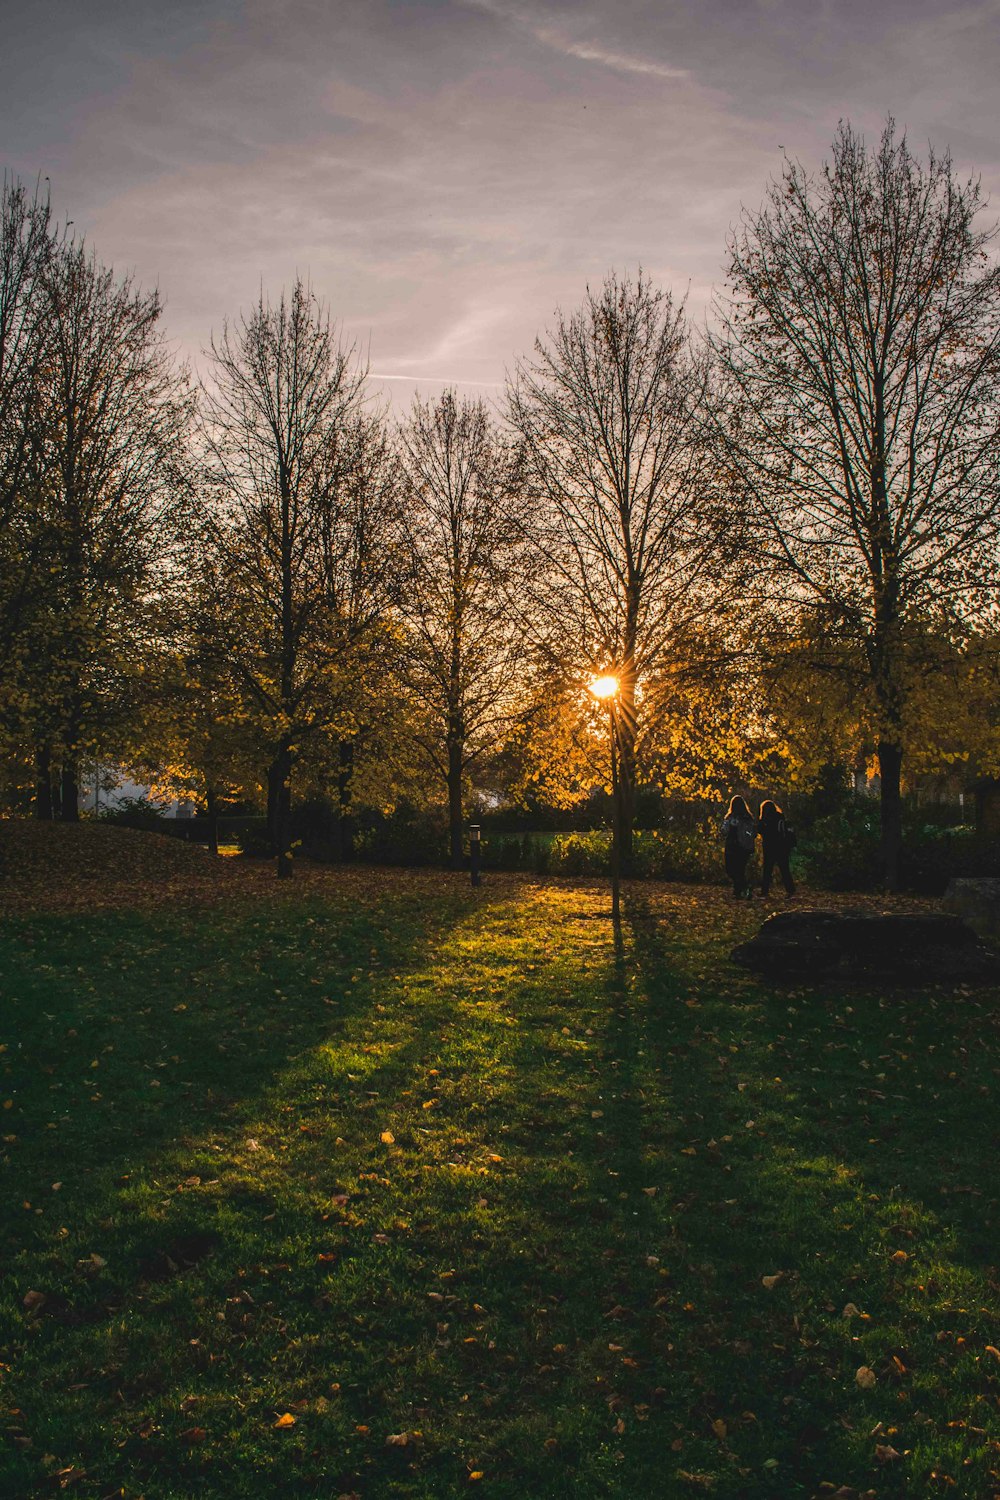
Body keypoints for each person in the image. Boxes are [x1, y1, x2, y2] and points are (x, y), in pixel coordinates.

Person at [757, 799, 796, 897]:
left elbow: (760, 831)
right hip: (782, 847)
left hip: (769, 847)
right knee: (784, 869)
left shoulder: (765, 820)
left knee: (767, 870)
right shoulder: (780, 818)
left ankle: (764, 891)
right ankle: (790, 889)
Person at [722, 794, 756, 898]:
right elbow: (753, 833)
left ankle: (739, 891)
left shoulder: (743, 818)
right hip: (739, 847)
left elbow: (724, 830)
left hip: (736, 846)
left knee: (735, 869)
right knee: (736, 869)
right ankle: (743, 888)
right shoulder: (745, 818)